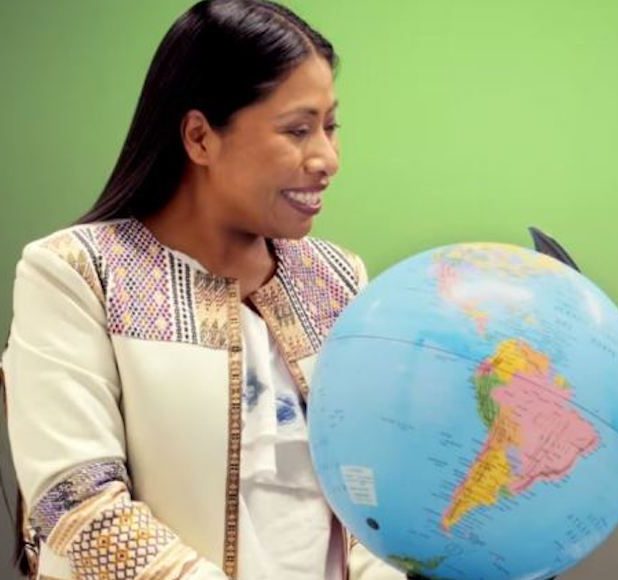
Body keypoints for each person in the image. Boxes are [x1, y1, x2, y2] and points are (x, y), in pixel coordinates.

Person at [0, 1, 408, 578]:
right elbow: (80, 507)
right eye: (298, 130)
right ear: (199, 138)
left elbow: (370, 500)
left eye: (330, 126)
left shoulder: (338, 278)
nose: (327, 158)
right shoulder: (76, 273)